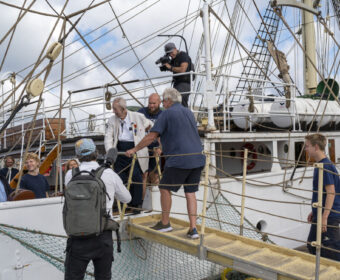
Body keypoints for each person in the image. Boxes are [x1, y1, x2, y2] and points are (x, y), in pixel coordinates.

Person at [126, 88, 205, 239]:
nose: (162, 103)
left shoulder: (167, 113)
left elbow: (152, 136)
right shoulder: (188, 112)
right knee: (190, 192)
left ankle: (165, 223)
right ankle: (193, 229)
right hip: (197, 158)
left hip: (179, 159)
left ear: (168, 101)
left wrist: (135, 149)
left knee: (164, 188)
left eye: (163, 100)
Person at [64, 138, 131, 280]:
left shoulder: (70, 174)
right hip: (103, 236)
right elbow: (127, 198)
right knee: (103, 277)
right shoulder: (109, 174)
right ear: (97, 153)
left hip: (77, 237)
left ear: (78, 156)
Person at [104, 97, 153, 213]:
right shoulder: (112, 120)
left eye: (115, 109)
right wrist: (110, 152)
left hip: (135, 149)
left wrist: (145, 129)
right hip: (119, 151)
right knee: (120, 178)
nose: (113, 112)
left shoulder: (137, 116)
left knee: (136, 177)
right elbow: (108, 137)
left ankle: (136, 205)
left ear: (123, 109)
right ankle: (122, 205)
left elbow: (149, 124)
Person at [305, 133, 340, 261]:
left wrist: (324, 217)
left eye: (307, 146)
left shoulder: (324, 166)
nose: (305, 149)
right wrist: (314, 210)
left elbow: (331, 192)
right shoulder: (322, 164)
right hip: (321, 213)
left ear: (315, 147)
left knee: (333, 249)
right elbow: (323, 193)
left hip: (329, 216)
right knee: (312, 244)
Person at [138, 93, 162, 198]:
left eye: (153, 103)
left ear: (159, 103)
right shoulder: (140, 113)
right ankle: (142, 202)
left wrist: (161, 148)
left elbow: (166, 134)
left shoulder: (163, 115)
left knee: (155, 176)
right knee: (143, 175)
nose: (151, 105)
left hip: (156, 150)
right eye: (149, 103)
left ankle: (154, 203)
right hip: (143, 149)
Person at [163, 42, 193, 108]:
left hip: (184, 83)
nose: (171, 55)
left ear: (175, 49)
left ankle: (184, 116)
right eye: (169, 54)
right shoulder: (174, 59)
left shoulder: (183, 55)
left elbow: (183, 70)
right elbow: (173, 68)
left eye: (171, 52)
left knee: (180, 101)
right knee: (173, 102)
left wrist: (170, 67)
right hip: (177, 83)